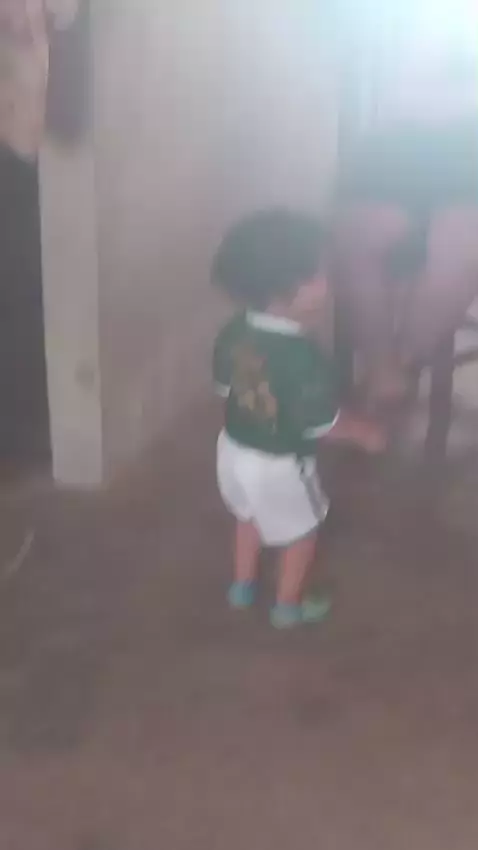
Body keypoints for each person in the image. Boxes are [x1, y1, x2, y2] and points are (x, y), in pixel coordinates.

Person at [212, 209, 385, 629]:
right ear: (287, 287)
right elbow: (321, 424)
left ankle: (242, 586)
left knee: (248, 516)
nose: (329, 281)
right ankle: (289, 605)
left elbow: (226, 388)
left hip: (233, 450)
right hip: (280, 463)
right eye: (321, 274)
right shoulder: (305, 357)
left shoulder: (233, 331)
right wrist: (364, 433)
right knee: (302, 534)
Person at [332, 34, 478, 406]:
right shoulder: (416, 36)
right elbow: (398, 99)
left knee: (460, 245)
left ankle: (401, 368)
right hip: (395, 160)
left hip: (467, 168)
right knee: (359, 236)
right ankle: (384, 370)